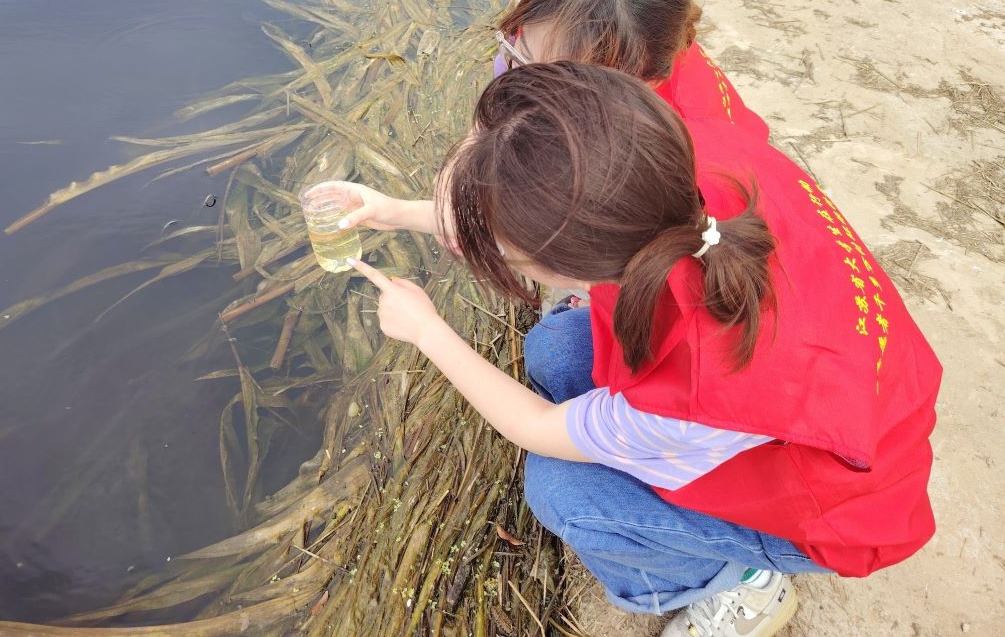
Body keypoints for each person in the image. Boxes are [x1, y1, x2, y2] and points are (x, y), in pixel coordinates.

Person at [340, 62, 942, 637]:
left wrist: (427, 331)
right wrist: (391, 213)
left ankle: (742, 584)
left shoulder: (689, 397)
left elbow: (534, 426)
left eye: (503, 254)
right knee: (555, 347)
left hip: (841, 510)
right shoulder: (678, 169)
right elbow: (535, 223)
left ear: (564, 263)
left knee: (563, 491)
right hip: (866, 405)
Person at [494, 0, 770, 142]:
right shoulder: (538, 38)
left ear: (647, 82)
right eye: (524, 57)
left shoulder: (663, 150)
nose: (529, 89)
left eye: (567, 89)